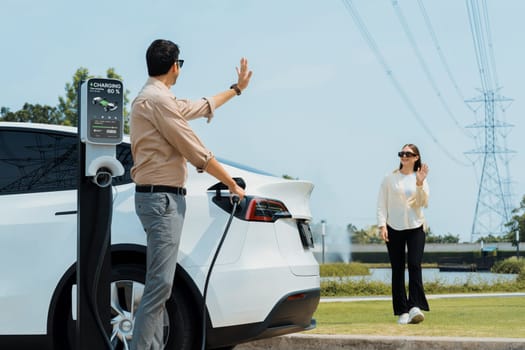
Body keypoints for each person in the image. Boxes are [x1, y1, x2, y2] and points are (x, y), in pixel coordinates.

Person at [129, 39, 252, 350]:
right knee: (160, 285)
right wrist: (232, 184)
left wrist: (235, 90)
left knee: (159, 285)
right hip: (161, 200)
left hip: (159, 199)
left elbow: (200, 105)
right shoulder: (158, 101)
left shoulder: (158, 99)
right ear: (175, 67)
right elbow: (196, 151)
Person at [377, 144, 430, 325]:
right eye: (402, 153)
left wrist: (420, 183)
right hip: (394, 227)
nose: (404, 156)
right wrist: (381, 225)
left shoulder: (419, 178)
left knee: (415, 265)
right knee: (398, 269)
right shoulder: (389, 178)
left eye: (408, 154)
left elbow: (422, 203)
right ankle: (402, 310)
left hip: (416, 227)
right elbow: (381, 204)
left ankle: (415, 306)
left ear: (416, 157)